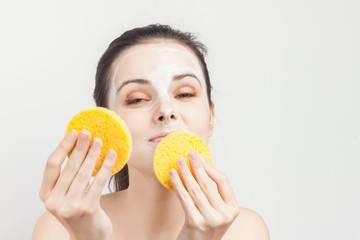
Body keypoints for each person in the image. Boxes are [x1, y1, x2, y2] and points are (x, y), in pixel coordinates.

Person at [32, 24, 270, 240]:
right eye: (136, 99)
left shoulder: (245, 230)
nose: (166, 110)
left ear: (211, 118)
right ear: (107, 124)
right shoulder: (60, 229)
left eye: (185, 94)